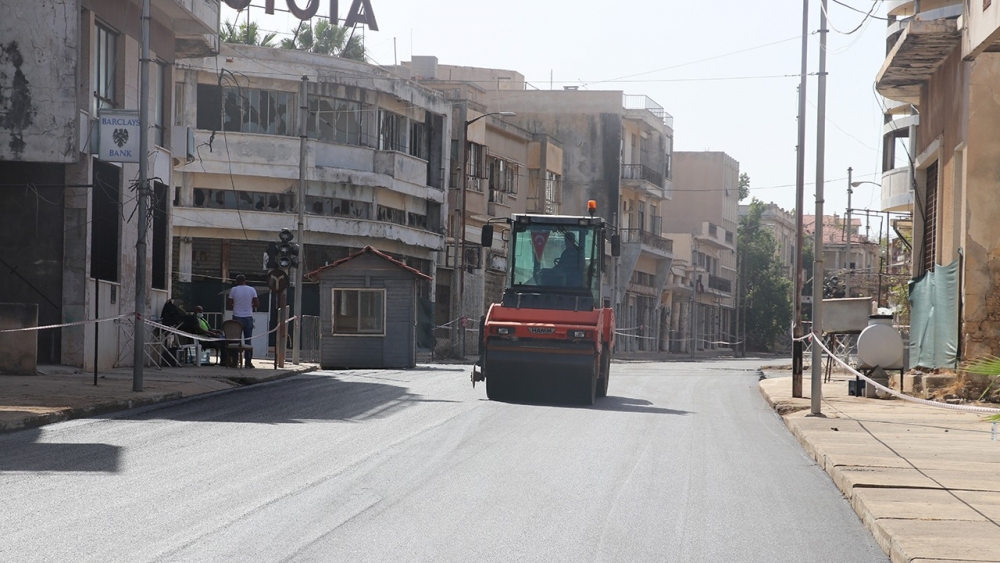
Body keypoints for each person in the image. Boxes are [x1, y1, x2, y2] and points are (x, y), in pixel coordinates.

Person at [226, 274, 259, 368]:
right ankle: (248, 363)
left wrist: (236, 306)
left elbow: (229, 304)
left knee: (235, 340)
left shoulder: (234, 290)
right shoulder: (252, 289)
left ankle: (235, 362)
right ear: (245, 280)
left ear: (236, 281)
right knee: (248, 340)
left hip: (237, 317)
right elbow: (257, 303)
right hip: (248, 316)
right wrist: (249, 306)